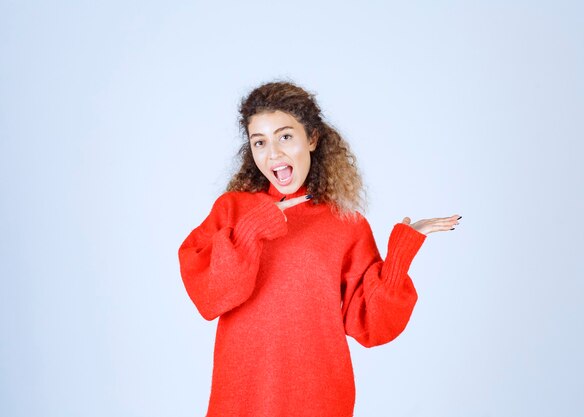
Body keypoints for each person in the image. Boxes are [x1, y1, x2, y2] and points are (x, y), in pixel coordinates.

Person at [178, 80, 461, 417]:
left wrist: (400, 253)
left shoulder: (346, 224)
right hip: (243, 399)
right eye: (259, 142)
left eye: (285, 136)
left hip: (319, 397)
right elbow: (211, 297)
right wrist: (255, 226)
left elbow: (371, 323)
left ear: (311, 139)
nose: (273, 154)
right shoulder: (232, 209)